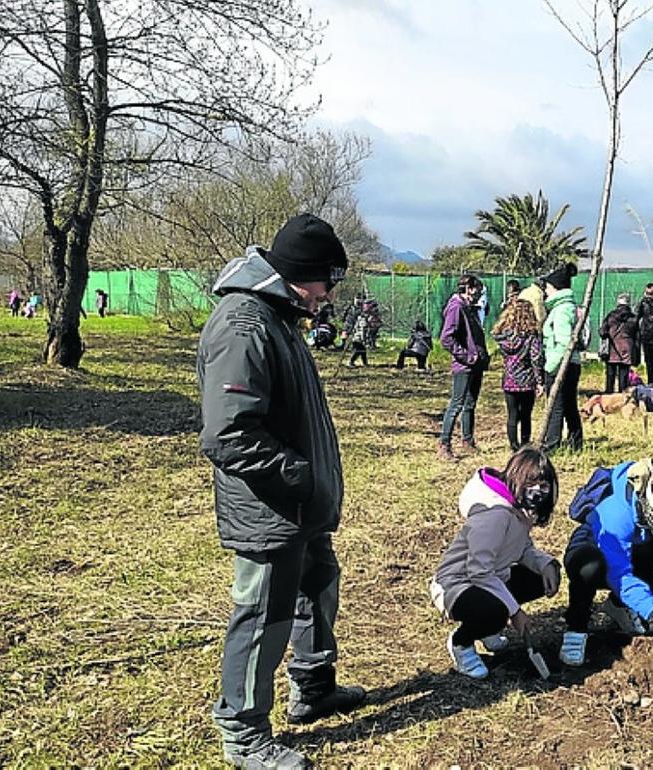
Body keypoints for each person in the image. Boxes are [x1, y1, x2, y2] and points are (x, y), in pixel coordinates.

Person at [196, 213, 365, 770]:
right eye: (326, 282)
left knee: (316, 585)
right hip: (269, 509)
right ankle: (243, 732)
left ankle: (313, 687)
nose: (329, 295)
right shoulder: (244, 324)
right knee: (263, 614)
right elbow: (229, 433)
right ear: (298, 274)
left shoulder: (279, 317)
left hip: (300, 508)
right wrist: (296, 476)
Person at [558, 437, 653, 666]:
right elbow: (618, 572)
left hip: (631, 553)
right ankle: (576, 627)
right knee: (590, 569)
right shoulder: (619, 511)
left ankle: (618, 605)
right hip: (594, 548)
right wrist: (651, 609)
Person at [430, 447, 562, 679]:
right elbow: (479, 572)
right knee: (496, 611)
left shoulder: (520, 511)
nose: (539, 490)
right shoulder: (495, 515)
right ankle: (462, 642)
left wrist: (546, 565)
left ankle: (489, 626)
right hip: (456, 585)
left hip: (490, 578)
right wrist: (514, 611)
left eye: (544, 484)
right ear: (516, 477)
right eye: (532, 482)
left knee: (537, 580)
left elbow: (521, 549)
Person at [438, 274, 490, 461]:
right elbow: (446, 338)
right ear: (468, 288)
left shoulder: (469, 308)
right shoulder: (456, 307)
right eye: (477, 289)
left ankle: (467, 441)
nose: (479, 294)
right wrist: (467, 356)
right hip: (464, 367)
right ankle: (444, 445)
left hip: (475, 366)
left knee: (470, 404)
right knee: (456, 405)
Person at [540, 263, 583, 453]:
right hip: (571, 363)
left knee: (556, 406)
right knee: (568, 404)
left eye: (547, 287)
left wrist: (550, 367)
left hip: (561, 365)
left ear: (555, 288)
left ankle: (552, 445)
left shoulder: (562, 310)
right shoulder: (566, 307)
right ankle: (576, 442)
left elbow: (564, 342)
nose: (545, 290)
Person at [492, 299, 545, 451]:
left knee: (512, 415)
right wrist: (539, 381)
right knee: (526, 415)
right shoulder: (531, 334)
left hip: (509, 379)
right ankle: (525, 445)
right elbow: (536, 357)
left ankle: (513, 446)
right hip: (527, 380)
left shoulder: (502, 336)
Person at [599, 292, 639, 394]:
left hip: (612, 348)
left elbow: (602, 332)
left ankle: (608, 395)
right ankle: (622, 397)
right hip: (627, 349)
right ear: (629, 303)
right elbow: (638, 337)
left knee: (610, 375)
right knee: (624, 375)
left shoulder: (611, 316)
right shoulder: (633, 318)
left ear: (618, 302)